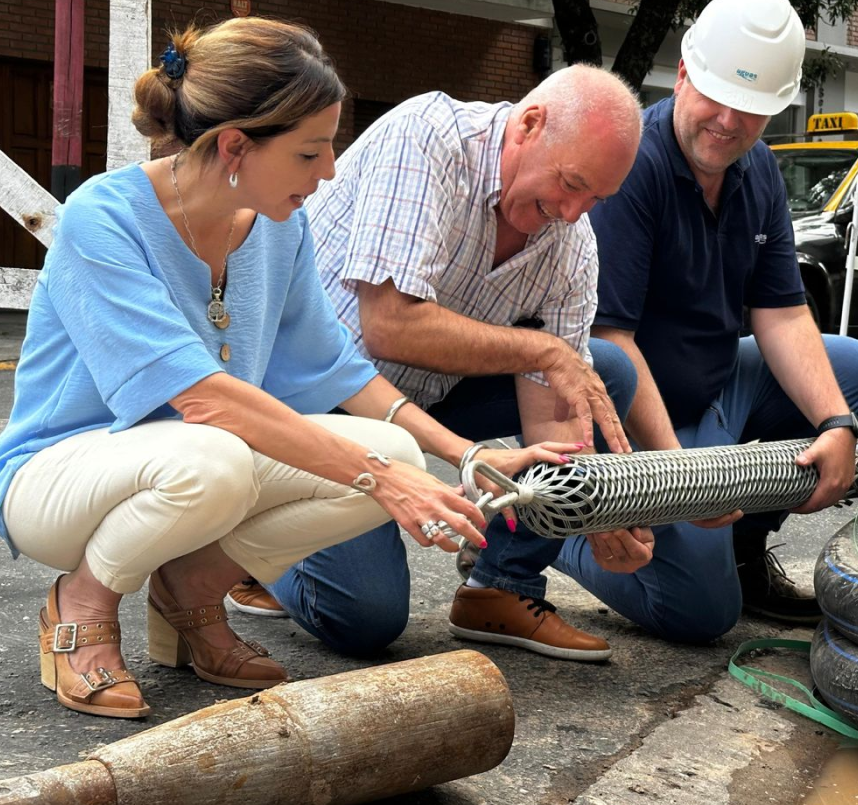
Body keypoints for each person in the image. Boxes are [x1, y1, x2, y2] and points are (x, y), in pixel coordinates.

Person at [0, 17, 575, 719]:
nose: (327, 175)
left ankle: (191, 592)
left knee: (392, 449)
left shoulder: (278, 227)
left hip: (197, 465)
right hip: (57, 478)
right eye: (310, 153)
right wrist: (382, 483)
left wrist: (464, 455)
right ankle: (81, 600)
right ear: (235, 146)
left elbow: (336, 372)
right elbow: (202, 400)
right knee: (235, 457)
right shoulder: (101, 218)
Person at [234, 65, 648, 662]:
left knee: (598, 372)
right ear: (529, 125)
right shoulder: (428, 136)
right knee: (365, 618)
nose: (574, 212)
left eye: (596, 199)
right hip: (311, 401)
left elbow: (553, 417)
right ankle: (257, 548)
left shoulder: (572, 243)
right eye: (571, 183)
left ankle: (500, 588)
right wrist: (540, 348)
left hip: (420, 397)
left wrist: (587, 512)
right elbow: (390, 325)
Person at [556, 0, 858, 639]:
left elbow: (784, 314)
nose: (729, 121)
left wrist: (837, 422)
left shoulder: (756, 168)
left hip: (716, 386)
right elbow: (611, 343)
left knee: (855, 373)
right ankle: (562, 535)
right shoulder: (634, 166)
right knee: (702, 616)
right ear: (683, 74)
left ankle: (742, 550)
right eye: (715, 97)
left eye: (752, 106)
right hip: (634, 408)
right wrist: (685, 480)